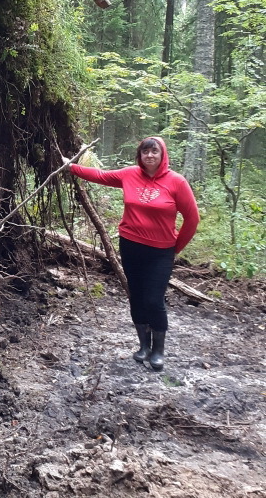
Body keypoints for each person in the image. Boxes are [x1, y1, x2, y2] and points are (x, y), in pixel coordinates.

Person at [63, 137, 199, 372]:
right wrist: (70, 167)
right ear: (140, 155)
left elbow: (192, 218)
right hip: (131, 246)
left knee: (154, 300)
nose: (149, 156)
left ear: (162, 154)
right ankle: (144, 346)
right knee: (136, 297)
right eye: (145, 151)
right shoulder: (130, 174)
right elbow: (101, 176)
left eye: (154, 151)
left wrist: (175, 247)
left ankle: (158, 351)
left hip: (161, 252)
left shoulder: (177, 182)